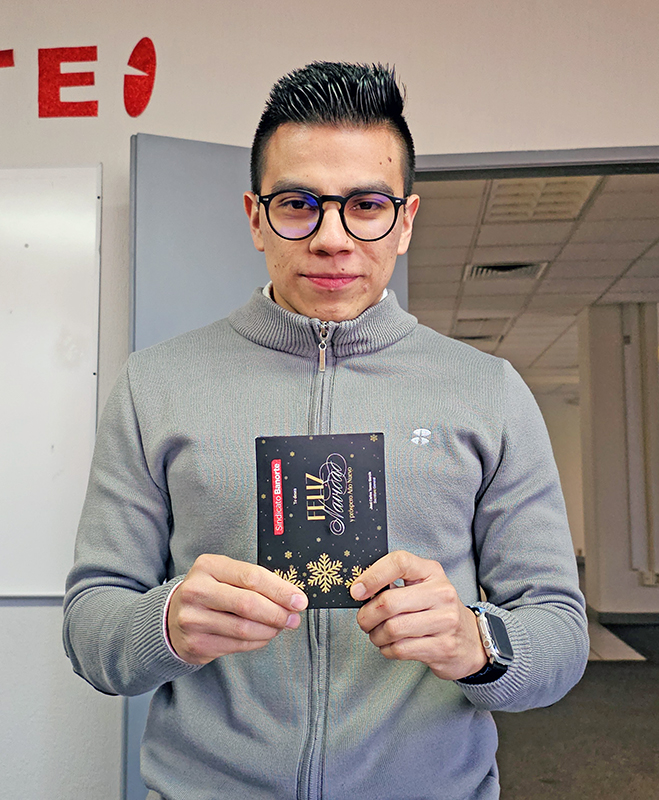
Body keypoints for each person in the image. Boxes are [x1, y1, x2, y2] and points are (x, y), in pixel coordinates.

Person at [64, 62, 588, 800]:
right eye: (297, 204)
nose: (332, 239)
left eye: (366, 205)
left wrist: (479, 642)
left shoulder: (488, 391)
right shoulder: (155, 385)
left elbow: (560, 634)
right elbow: (91, 624)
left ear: (405, 221)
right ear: (255, 218)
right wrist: (167, 623)